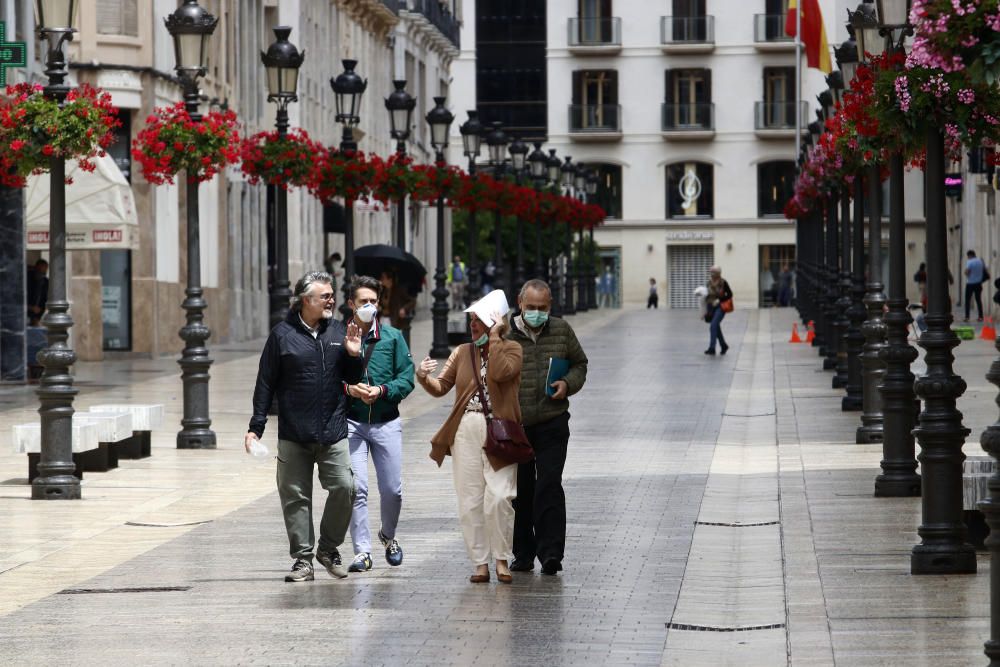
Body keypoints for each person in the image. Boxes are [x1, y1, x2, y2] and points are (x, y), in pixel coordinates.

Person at [245, 271, 363, 583]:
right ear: (305, 300)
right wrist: (255, 427)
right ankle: (303, 560)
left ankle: (328, 548)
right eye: (325, 296)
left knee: (345, 488)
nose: (331, 300)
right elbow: (265, 384)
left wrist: (353, 355)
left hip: (333, 430)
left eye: (331, 295)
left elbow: (352, 379)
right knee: (295, 496)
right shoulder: (282, 335)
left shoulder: (339, 331)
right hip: (294, 433)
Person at [415, 290, 523, 584]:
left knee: (499, 497)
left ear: (496, 322)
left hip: (501, 430)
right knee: (470, 500)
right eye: (471, 319)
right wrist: (423, 377)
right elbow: (440, 387)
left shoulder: (512, 349)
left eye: (480, 320)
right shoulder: (462, 352)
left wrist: (497, 338)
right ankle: (480, 563)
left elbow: (501, 373)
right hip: (465, 429)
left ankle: (501, 558)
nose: (473, 325)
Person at [507, 279, 588, 576]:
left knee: (550, 484)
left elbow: (580, 364)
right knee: (522, 490)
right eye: (531, 308)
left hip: (553, 421)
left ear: (550, 306)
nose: (537, 313)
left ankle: (551, 553)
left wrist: (567, 384)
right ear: (520, 302)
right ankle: (523, 554)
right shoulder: (504, 332)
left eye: (542, 308)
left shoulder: (561, 330)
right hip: (517, 425)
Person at [343, 276, 415, 573]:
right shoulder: (339, 337)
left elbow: (406, 377)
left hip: (386, 421)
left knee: (392, 490)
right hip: (352, 423)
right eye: (363, 302)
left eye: (373, 301)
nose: (369, 306)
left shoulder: (393, 337)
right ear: (351, 304)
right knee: (355, 488)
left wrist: (383, 391)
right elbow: (331, 379)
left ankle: (388, 535)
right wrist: (351, 389)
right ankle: (362, 551)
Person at [705, 266, 733, 356]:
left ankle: (712, 348)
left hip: (721, 307)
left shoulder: (723, 282)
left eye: (713, 272)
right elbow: (707, 296)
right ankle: (723, 345)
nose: (711, 274)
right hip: (711, 307)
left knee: (713, 325)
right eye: (711, 272)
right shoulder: (708, 283)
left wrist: (720, 300)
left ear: (718, 273)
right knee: (716, 326)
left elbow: (730, 294)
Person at [965, 249, 987, 321]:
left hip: (970, 283)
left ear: (969, 255)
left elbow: (967, 272)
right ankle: (980, 316)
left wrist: (966, 273)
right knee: (978, 300)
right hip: (978, 283)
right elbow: (985, 270)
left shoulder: (969, 262)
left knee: (967, 300)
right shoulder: (981, 261)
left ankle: (967, 317)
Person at [26, 259, 49, 326]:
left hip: (35, 316)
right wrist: (30, 307)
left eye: (44, 272)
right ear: (36, 268)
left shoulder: (45, 282)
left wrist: (38, 317)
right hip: (23, 313)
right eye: (40, 271)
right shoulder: (27, 278)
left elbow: (44, 300)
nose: (41, 274)